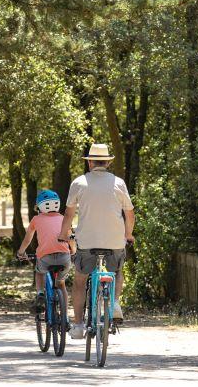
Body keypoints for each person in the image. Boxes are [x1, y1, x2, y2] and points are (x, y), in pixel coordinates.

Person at [58, 143, 135, 340]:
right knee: (117, 271)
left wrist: (63, 234)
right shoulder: (118, 183)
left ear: (90, 162)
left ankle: (78, 325)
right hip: (114, 240)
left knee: (80, 281)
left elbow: (68, 214)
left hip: (87, 241)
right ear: (108, 162)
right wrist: (128, 235)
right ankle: (115, 303)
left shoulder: (79, 182)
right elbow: (130, 214)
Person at [17, 190, 74, 314]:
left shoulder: (36, 219)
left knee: (39, 272)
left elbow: (28, 239)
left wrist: (21, 252)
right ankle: (65, 316)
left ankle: (40, 293)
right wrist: (73, 251)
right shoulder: (64, 219)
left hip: (45, 257)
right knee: (61, 284)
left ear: (40, 206)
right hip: (64, 257)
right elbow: (70, 238)